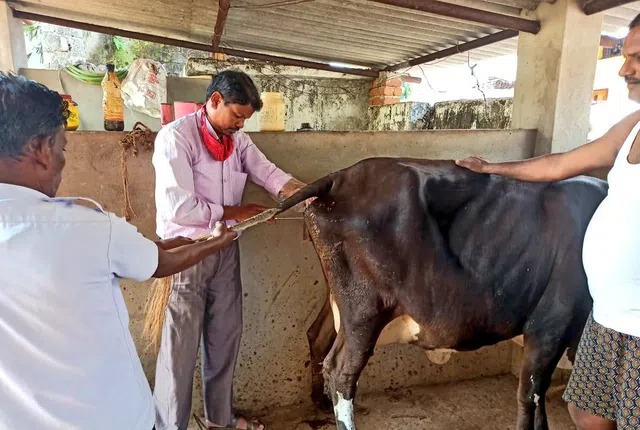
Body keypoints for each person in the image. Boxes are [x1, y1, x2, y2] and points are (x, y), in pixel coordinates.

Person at [0, 72, 238, 430]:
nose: (63, 164)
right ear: (39, 149)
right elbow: (160, 263)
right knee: (180, 352)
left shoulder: (85, 231)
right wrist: (215, 242)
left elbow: (150, 251)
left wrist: (176, 242)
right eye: (62, 148)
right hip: (113, 418)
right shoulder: (85, 225)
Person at [456, 13, 640, 430]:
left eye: (637, 57)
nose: (624, 69)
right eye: (626, 56)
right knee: (588, 412)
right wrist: (493, 169)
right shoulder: (632, 127)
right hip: (609, 316)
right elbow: (560, 164)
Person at [151, 70, 304, 430]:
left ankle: (219, 420)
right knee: (179, 352)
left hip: (225, 250)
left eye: (245, 119)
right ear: (215, 100)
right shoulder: (177, 137)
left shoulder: (238, 140)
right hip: (186, 253)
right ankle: (170, 425)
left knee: (224, 339)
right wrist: (234, 212)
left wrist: (304, 193)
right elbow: (179, 207)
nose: (240, 124)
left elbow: (267, 173)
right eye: (236, 115)